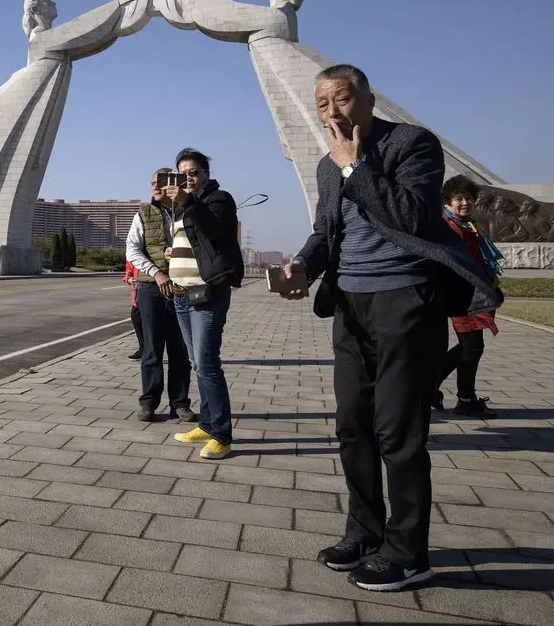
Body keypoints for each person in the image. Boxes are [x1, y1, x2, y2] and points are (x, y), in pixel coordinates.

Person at [280, 64, 502, 593]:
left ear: (369, 99)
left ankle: (408, 553)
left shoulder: (412, 144)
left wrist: (358, 168)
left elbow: (412, 217)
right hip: (350, 306)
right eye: (322, 105)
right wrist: (302, 267)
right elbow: (325, 233)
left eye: (341, 99)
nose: (331, 113)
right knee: (352, 425)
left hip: (405, 299)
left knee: (398, 434)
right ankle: (364, 531)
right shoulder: (327, 166)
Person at [161, 150, 242, 458]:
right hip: (182, 295)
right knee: (197, 363)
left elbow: (213, 229)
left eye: (193, 173)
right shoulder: (182, 208)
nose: (188, 178)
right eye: (183, 174)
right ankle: (207, 425)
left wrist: (188, 201)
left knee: (208, 364)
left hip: (207, 294)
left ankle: (222, 434)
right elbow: (193, 243)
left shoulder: (219, 200)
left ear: (206, 174)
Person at [125, 169, 194, 421]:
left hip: (182, 287)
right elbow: (132, 250)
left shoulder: (187, 210)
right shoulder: (143, 214)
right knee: (152, 350)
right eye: (152, 182)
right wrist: (156, 273)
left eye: (161, 182)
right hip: (150, 288)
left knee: (180, 350)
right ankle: (149, 403)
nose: (155, 186)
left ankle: (180, 404)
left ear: (173, 184)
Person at [433, 175, 503, 418]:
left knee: (470, 347)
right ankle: (461, 398)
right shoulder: (449, 227)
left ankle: (443, 391)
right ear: (448, 201)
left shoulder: (467, 225)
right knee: (471, 347)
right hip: (463, 297)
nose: (465, 202)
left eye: (469, 198)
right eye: (459, 198)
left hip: (473, 295)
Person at [122, 260, 144, 359]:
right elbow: (129, 267)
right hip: (137, 294)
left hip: (153, 290)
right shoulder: (134, 253)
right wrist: (129, 278)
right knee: (137, 320)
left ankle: (150, 351)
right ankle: (143, 349)